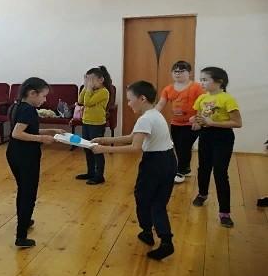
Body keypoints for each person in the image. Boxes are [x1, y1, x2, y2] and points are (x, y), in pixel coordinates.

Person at [92, 81, 176, 260]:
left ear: (142, 98)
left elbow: (135, 147)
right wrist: (105, 140)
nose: (128, 104)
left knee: (143, 197)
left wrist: (103, 149)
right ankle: (166, 241)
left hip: (154, 163)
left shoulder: (144, 119)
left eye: (130, 100)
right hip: (169, 160)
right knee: (158, 203)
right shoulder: (155, 114)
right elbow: (133, 137)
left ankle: (147, 231)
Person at [6, 77, 64, 248]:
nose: (44, 100)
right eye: (43, 96)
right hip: (25, 156)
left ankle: (24, 220)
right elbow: (17, 133)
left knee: (23, 189)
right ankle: (21, 236)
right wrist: (42, 138)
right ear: (32, 93)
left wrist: (51, 130)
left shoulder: (17, 106)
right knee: (28, 193)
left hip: (14, 154)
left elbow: (27, 128)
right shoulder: (29, 110)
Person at [191, 67, 243, 228]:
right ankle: (202, 194)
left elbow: (237, 123)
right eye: (201, 79)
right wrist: (195, 122)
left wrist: (212, 123)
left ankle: (224, 212)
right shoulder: (201, 98)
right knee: (203, 168)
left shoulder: (228, 99)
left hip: (223, 138)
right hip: (206, 136)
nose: (201, 83)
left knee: (220, 173)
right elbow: (199, 118)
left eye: (205, 79)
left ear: (219, 81)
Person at [155, 61, 204, 184]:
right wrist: (151, 115)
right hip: (176, 123)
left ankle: (180, 171)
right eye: (175, 71)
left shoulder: (197, 87)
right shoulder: (168, 89)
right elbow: (160, 104)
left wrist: (198, 120)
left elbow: (203, 105)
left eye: (182, 71)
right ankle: (186, 169)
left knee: (184, 146)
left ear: (190, 73)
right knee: (178, 147)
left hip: (191, 124)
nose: (178, 74)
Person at [75, 66, 112, 185]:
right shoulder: (90, 90)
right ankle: (90, 172)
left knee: (96, 149)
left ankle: (99, 175)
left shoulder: (104, 92)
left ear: (101, 80)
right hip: (86, 122)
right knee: (87, 148)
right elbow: (80, 100)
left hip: (97, 124)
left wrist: (89, 89)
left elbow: (88, 102)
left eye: (92, 80)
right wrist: (85, 87)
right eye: (88, 80)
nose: (90, 83)